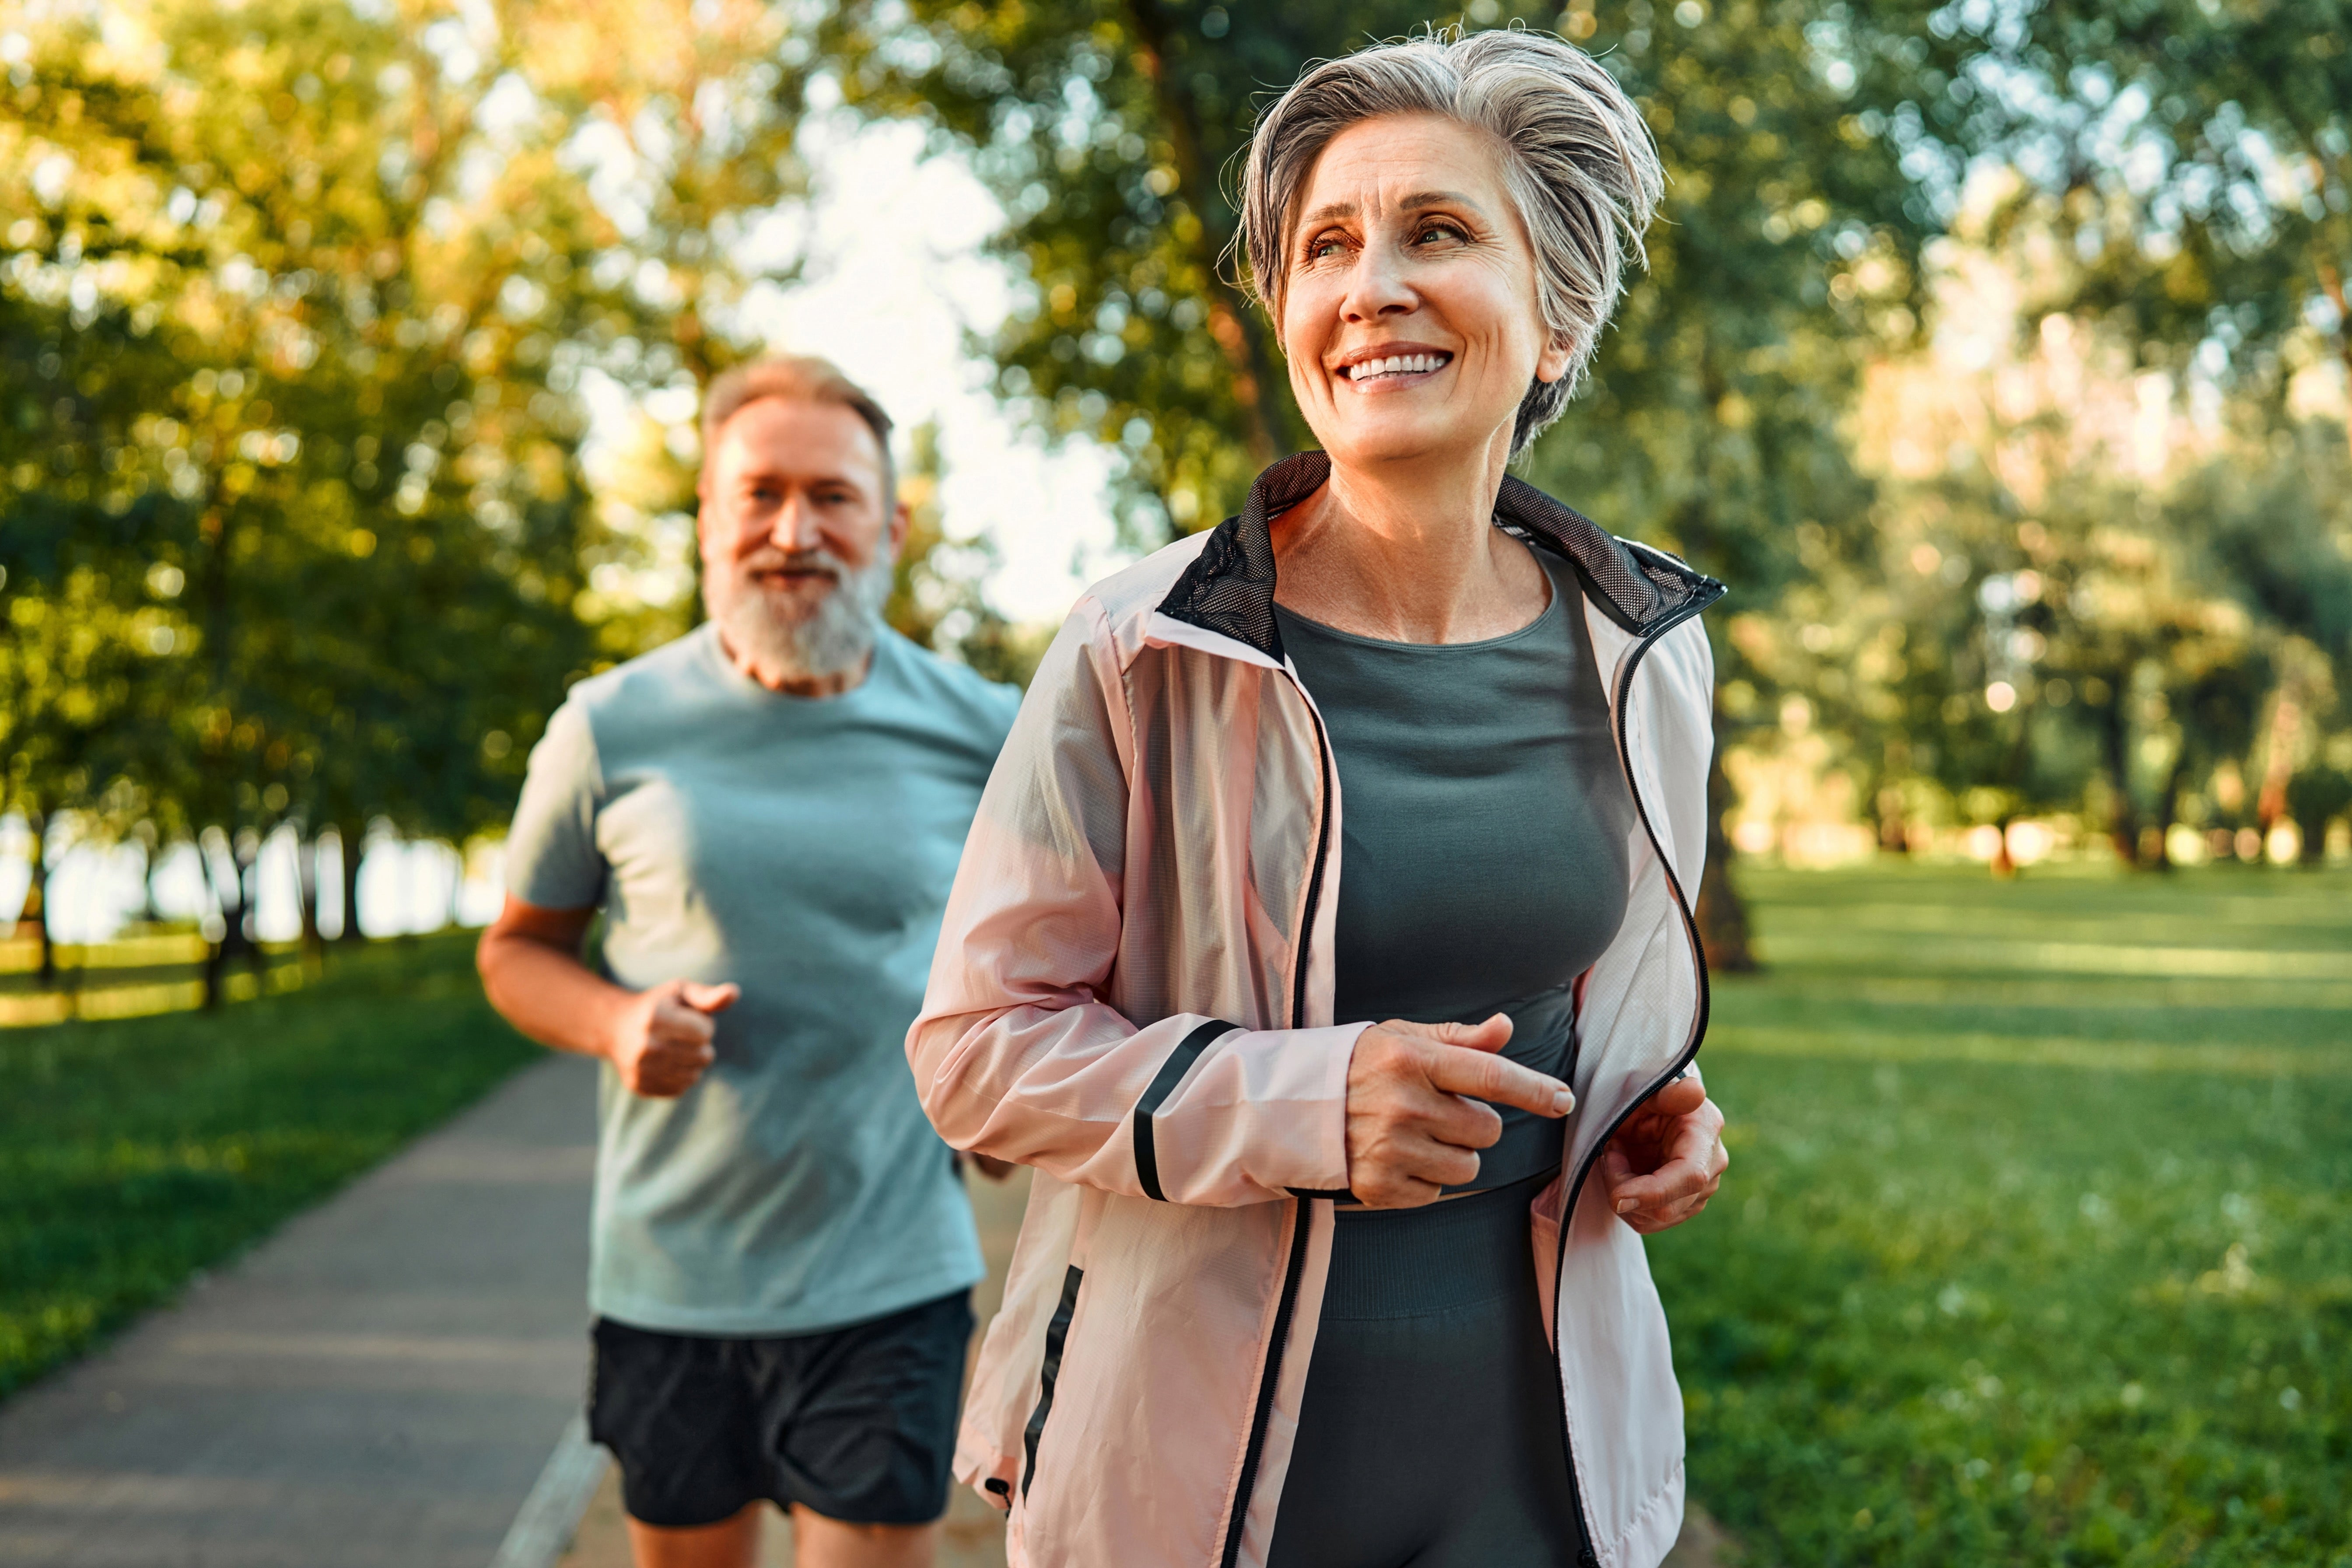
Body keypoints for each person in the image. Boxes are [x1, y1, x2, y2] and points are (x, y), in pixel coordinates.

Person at [906, 28, 1730, 1568]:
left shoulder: (1644, 652)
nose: (1372, 286)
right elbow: (974, 1053)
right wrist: (1303, 1102)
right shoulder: (1142, 648)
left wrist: (1649, 1109)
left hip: (1532, 1453)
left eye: (1440, 233)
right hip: (1198, 1474)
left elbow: (1570, 991)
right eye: (1327, 247)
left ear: (1556, 322)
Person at [477, 356, 1021, 1568]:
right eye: (759, 495)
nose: (794, 531)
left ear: (892, 524)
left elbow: (1045, 957)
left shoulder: (990, 729)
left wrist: (1011, 1088)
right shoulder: (608, 727)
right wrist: (618, 1024)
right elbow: (517, 953)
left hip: (890, 1271)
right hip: (675, 1280)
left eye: (830, 496)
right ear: (710, 523)